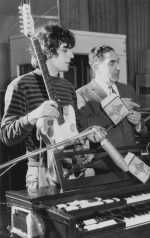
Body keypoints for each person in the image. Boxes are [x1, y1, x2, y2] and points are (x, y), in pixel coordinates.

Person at [0, 24, 105, 191]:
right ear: (47, 51)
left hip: (71, 168)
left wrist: (88, 135)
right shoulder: (20, 85)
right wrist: (33, 116)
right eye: (65, 50)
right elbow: (6, 135)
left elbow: (75, 130)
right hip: (41, 172)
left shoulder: (68, 87)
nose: (71, 55)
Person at [76, 45, 146, 149]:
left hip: (132, 157)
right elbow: (85, 128)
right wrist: (119, 108)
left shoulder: (128, 90)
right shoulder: (82, 94)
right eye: (112, 63)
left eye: (118, 62)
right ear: (96, 67)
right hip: (104, 160)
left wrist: (139, 124)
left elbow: (144, 131)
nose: (118, 67)